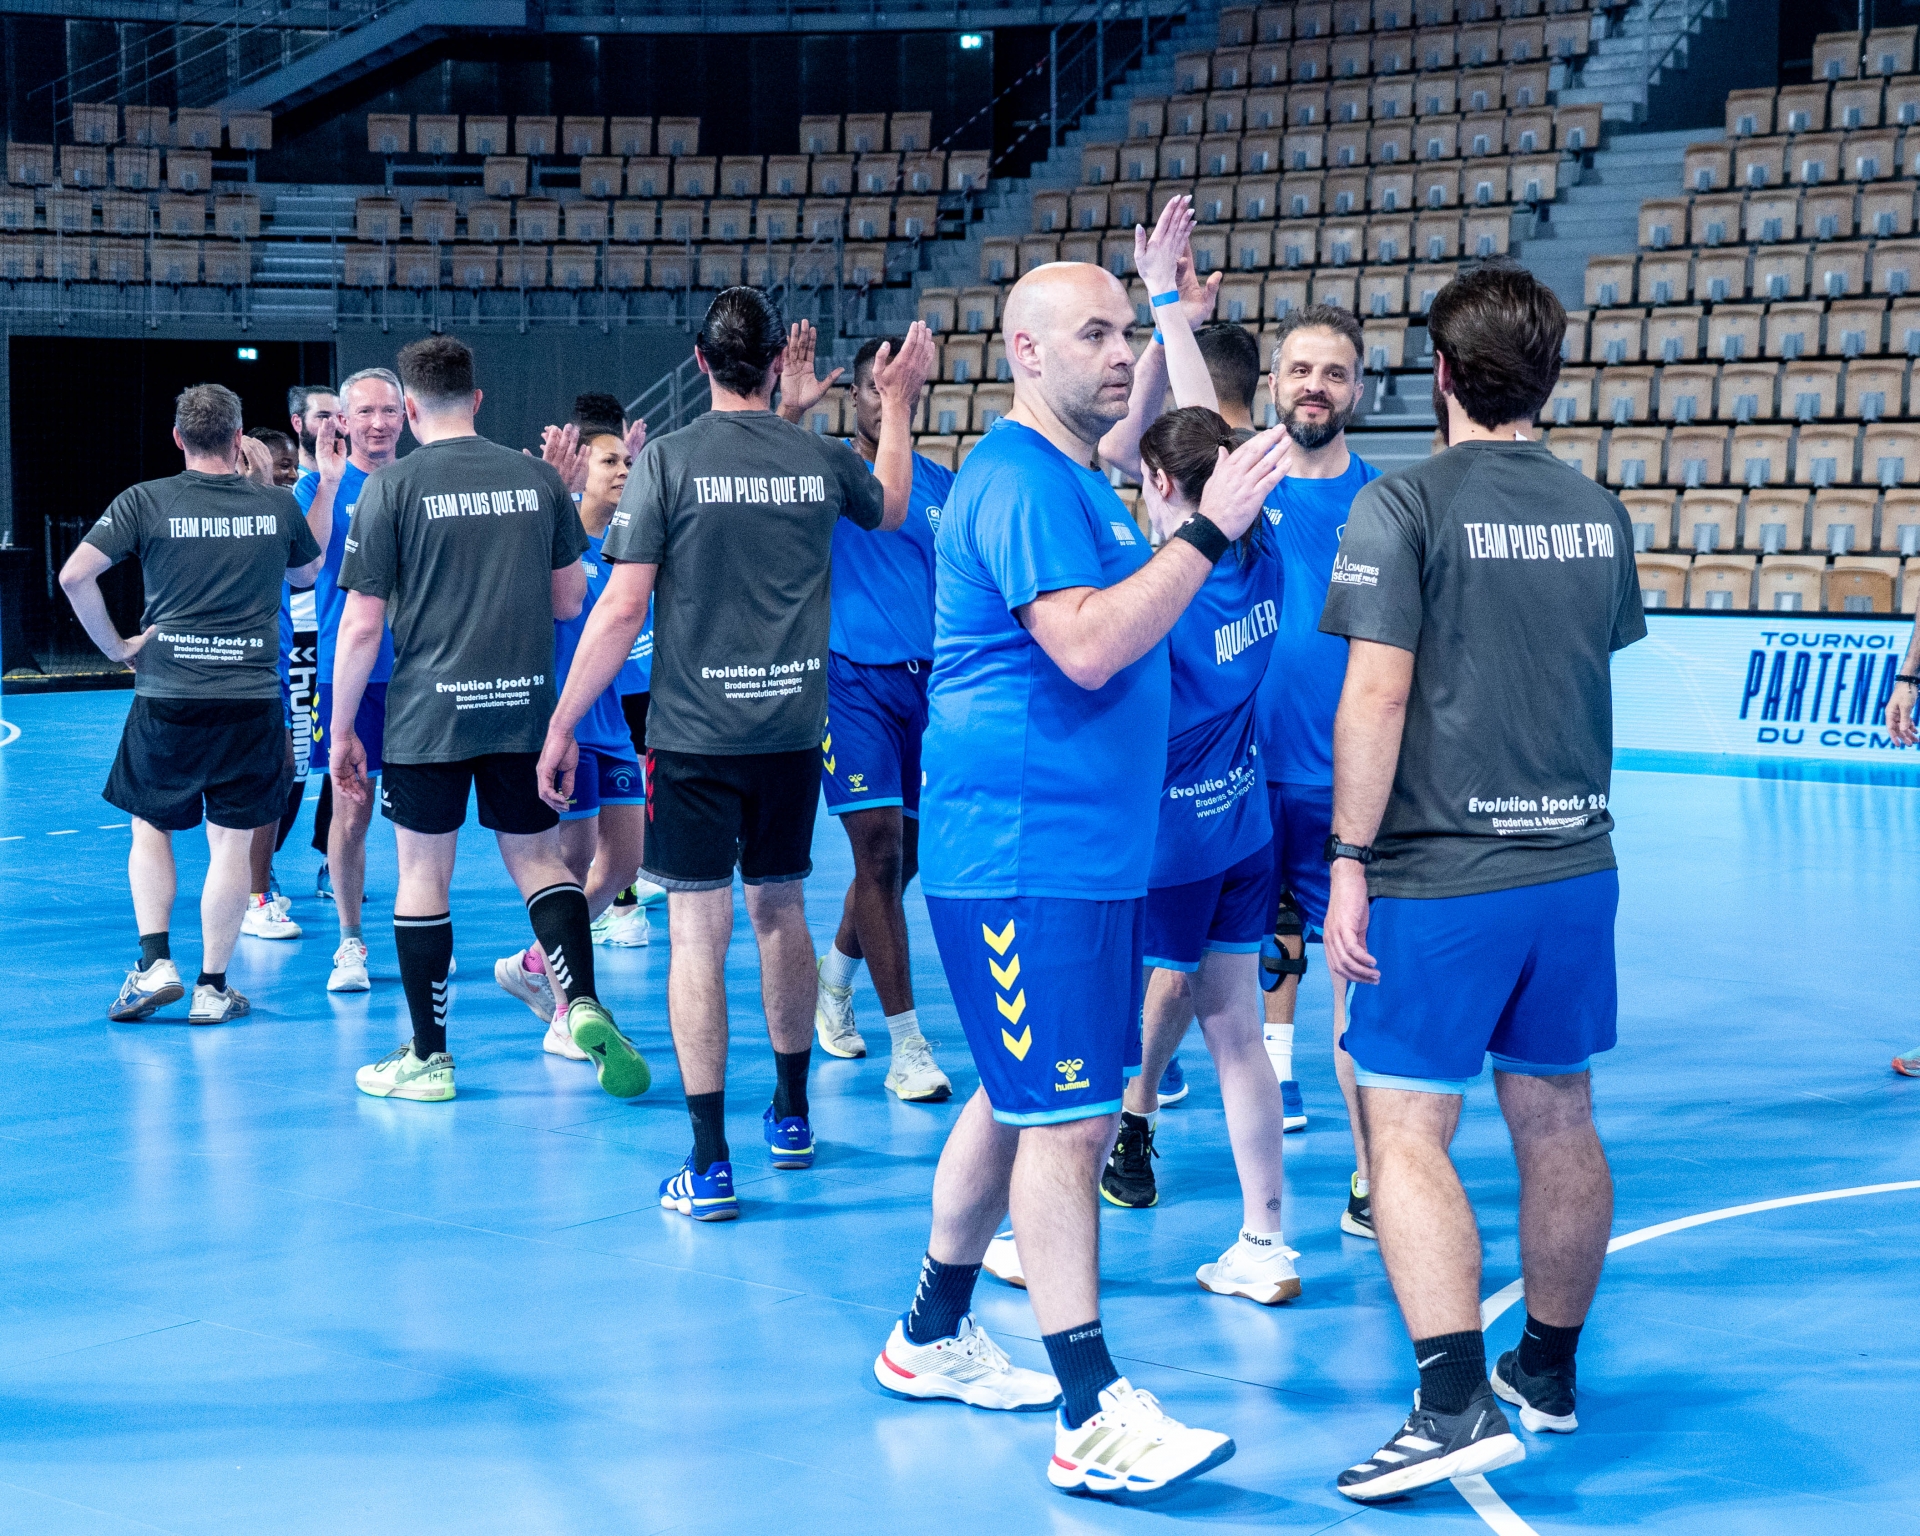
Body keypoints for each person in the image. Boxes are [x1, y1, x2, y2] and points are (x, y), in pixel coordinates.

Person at [866, 238, 1291, 1500]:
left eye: (1126, 334)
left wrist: (1172, 315)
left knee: (1022, 1099)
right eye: (1096, 335)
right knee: (1065, 1121)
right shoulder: (1019, 482)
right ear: (1026, 351)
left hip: (1089, 860)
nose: (1121, 356)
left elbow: (1160, 433)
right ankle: (1091, 1410)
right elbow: (1092, 647)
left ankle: (930, 1333)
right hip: (1022, 859)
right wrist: (1207, 533)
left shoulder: (1081, 477)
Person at [1320, 263, 1645, 1501]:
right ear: (1548, 377)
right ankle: (1546, 1373)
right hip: (1576, 865)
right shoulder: (1599, 513)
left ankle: (1452, 1399)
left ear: (1442, 374)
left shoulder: (1402, 502)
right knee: (1558, 1115)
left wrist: (1348, 860)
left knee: (1406, 1125)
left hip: (1442, 874)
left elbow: (1378, 692)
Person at [536, 287, 930, 1221]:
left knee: (697, 934)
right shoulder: (819, 457)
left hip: (695, 736)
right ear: (775, 361)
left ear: (702, 361)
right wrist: (898, 405)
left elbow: (621, 608)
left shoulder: (668, 461)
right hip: (791, 731)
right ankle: (791, 1116)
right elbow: (893, 506)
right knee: (781, 911)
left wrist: (562, 723)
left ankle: (710, 1163)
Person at [330, 334, 639, 1105]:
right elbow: (570, 602)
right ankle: (580, 1002)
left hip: (426, 717)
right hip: (521, 710)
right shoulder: (537, 481)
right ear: (476, 399)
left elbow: (361, 626)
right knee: (541, 865)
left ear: (409, 408)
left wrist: (341, 731)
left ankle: (430, 1058)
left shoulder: (391, 487)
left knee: (422, 876)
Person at [60, 383, 322, 1024]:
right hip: (250, 698)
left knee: (151, 826)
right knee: (231, 843)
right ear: (239, 439)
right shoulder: (277, 505)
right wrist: (265, 492)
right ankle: (212, 988)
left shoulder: (145, 500)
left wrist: (118, 647)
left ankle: (155, 965)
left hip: (168, 694)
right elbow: (306, 576)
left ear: (178, 437)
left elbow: (73, 575)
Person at [777, 321, 953, 1103]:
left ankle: (836, 979)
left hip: (930, 690)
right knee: (878, 852)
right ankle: (907, 1046)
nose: (889, 401)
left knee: (899, 862)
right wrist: (789, 413)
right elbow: (766, 469)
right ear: (854, 395)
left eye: (903, 388)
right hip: (847, 683)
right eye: (877, 388)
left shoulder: (945, 487)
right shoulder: (825, 471)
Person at [1255, 304, 1382, 1232]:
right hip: (1231, 779)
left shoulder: (1386, 506)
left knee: (1354, 978)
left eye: (1334, 373)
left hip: (1343, 788)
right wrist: (1169, 310)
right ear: (1272, 382)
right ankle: (1135, 1132)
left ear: (1359, 390)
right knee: (1181, 972)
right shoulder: (1239, 484)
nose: (1315, 387)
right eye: (1300, 369)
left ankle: (1373, 1180)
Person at [494, 421, 650, 1056]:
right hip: (565, 723)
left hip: (612, 723)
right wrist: (545, 504)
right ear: (579, 469)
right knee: (572, 860)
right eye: (609, 461)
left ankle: (535, 963)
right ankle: (567, 1010)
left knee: (625, 863)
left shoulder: (624, 547)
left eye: (628, 462)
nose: (622, 471)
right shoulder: (548, 543)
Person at [298, 369, 404, 991]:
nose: (378, 423)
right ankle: (350, 940)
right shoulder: (318, 485)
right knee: (351, 808)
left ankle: (423, 931)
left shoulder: (420, 481)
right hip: (349, 673)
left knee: (422, 817)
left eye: (389, 410)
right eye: (364, 411)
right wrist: (331, 482)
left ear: (405, 416)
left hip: (420, 670)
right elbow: (303, 569)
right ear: (342, 420)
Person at [287, 385, 340, 477]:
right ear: (297, 423)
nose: (336, 425)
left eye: (340, 417)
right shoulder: (286, 480)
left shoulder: (356, 475)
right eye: (323, 416)